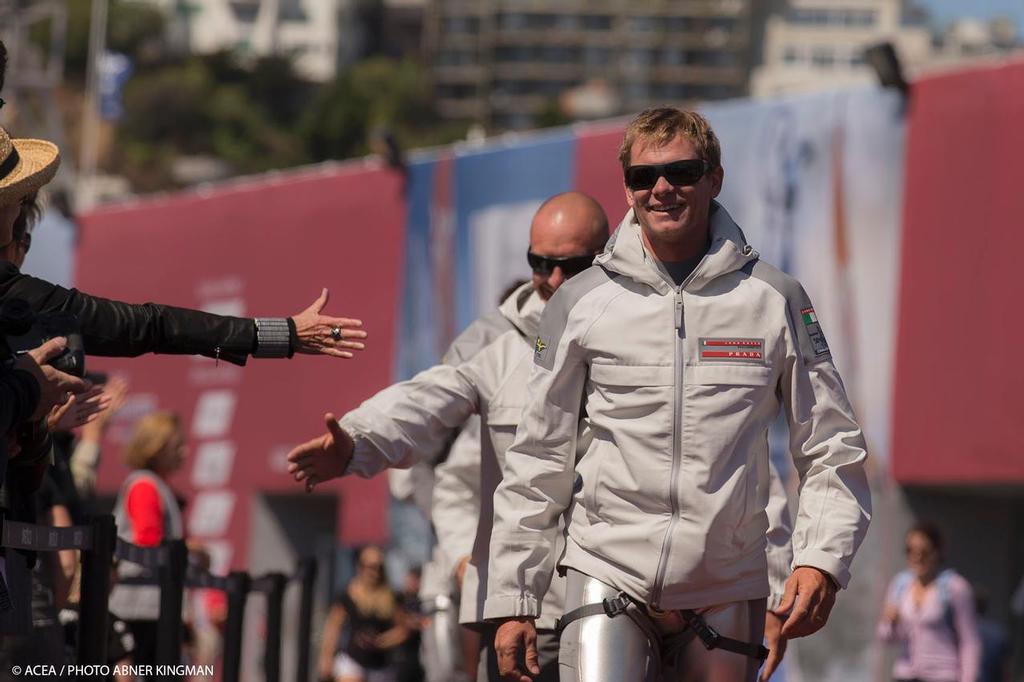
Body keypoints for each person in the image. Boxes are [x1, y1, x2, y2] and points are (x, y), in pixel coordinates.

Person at [478, 108, 871, 682]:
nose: (661, 188)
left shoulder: (775, 299)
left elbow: (831, 444)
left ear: (715, 178)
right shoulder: (580, 301)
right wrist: (514, 597)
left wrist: (821, 561)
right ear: (627, 190)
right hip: (605, 570)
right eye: (643, 177)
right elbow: (539, 456)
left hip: (726, 584)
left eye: (681, 171)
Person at [288, 192, 609, 681]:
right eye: (541, 264)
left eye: (574, 264)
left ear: (605, 256)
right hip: (525, 603)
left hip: (627, 600)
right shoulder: (491, 341)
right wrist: (356, 442)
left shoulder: (641, 329)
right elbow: (425, 405)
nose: (556, 279)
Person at [107, 411, 190, 670]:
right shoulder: (145, 485)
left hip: (149, 606)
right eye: (177, 445)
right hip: (140, 610)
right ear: (157, 447)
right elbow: (148, 540)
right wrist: (195, 550)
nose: (184, 452)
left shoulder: (154, 484)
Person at [878, 523, 980, 682]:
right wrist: (890, 621)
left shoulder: (955, 587)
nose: (917, 557)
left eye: (923, 552)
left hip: (942, 675)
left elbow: (969, 641)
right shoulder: (900, 585)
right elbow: (886, 637)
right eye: (910, 551)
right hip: (905, 674)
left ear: (937, 552)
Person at [319, 546, 410, 682]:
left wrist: (381, 641)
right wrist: (326, 658)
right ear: (360, 567)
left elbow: (403, 630)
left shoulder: (391, 598)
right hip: (352, 659)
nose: (374, 572)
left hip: (381, 664)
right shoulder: (348, 595)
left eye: (378, 567)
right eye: (370, 566)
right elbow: (333, 629)